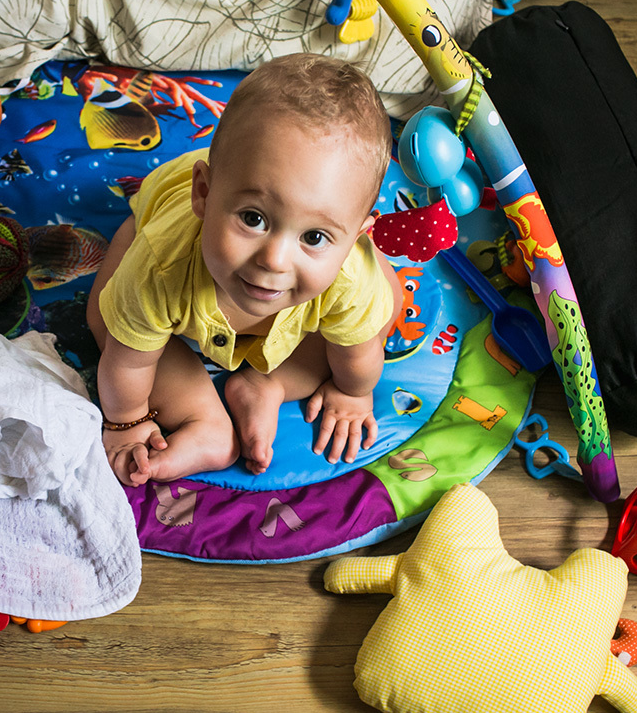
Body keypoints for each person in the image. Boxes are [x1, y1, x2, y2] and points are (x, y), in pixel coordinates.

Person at [87, 53, 402, 487]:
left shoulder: (349, 275)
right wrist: (127, 422)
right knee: (110, 322)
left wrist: (353, 392)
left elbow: (358, 358)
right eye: (253, 218)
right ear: (204, 193)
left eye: (314, 237)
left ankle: (267, 386)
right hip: (158, 220)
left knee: (381, 311)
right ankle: (207, 423)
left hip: (322, 290)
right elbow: (127, 366)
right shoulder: (161, 265)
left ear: (355, 240)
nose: (273, 259)